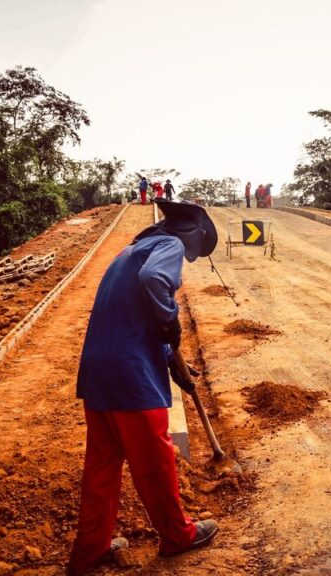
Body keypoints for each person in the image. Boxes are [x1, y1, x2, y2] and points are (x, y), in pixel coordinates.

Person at [68, 200, 220, 575]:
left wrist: (172, 361)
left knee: (101, 467)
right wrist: (171, 321)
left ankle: (91, 551)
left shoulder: (129, 252)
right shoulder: (167, 246)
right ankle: (178, 535)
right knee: (155, 462)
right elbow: (155, 281)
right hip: (131, 376)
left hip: (98, 372)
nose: (187, 258)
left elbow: (134, 316)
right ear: (192, 236)